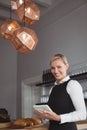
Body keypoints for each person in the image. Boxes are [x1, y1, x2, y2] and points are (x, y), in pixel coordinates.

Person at [35, 53, 87, 130]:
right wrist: (44, 116)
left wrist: (59, 118)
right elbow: (54, 113)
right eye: (53, 68)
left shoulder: (72, 84)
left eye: (59, 67)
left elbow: (82, 114)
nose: (55, 71)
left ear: (66, 66)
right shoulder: (53, 88)